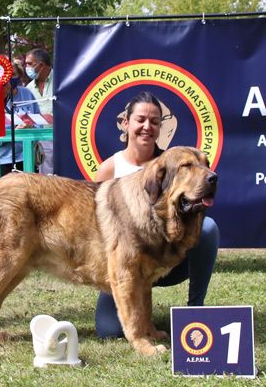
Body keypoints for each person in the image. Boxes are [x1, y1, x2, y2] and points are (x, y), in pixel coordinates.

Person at [91, 91, 219, 339]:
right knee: (109, 331)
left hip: (167, 261)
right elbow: (98, 228)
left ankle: (196, 310)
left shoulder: (173, 164)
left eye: (154, 122)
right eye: (140, 120)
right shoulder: (109, 167)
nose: (147, 127)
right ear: (126, 123)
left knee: (208, 228)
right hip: (125, 264)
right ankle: (136, 307)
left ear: (161, 127)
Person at [0, 81, 39, 180]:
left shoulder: (26, 93)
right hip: (0, 159)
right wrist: (13, 134)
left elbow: (39, 122)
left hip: (26, 156)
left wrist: (31, 128)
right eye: (4, 84)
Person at [24, 47, 54, 174]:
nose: (26, 67)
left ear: (41, 65)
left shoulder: (62, 81)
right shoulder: (29, 88)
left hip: (62, 137)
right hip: (39, 140)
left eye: (29, 64)